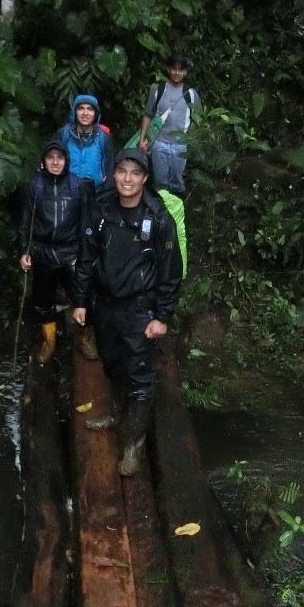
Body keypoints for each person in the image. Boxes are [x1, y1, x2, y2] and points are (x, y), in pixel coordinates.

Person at [72, 148, 183, 476]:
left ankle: (133, 445)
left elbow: (170, 271)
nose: (128, 179)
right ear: (114, 174)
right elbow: (87, 257)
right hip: (105, 305)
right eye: (122, 172)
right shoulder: (102, 210)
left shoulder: (158, 217)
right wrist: (80, 300)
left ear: (145, 178)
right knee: (111, 362)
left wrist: (162, 316)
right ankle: (119, 415)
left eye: (135, 173)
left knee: (139, 375)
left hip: (139, 308)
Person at [17, 140, 88, 364]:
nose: (55, 162)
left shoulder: (78, 186)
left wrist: (83, 253)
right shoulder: (35, 186)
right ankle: (49, 340)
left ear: (66, 161)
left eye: (60, 158)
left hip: (71, 252)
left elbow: (87, 223)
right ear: (44, 161)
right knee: (42, 299)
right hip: (42, 252)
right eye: (51, 158)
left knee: (81, 296)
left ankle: (84, 337)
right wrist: (24, 251)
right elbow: (25, 221)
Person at [137, 53, 201, 197]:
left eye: (180, 70)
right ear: (168, 69)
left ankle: (176, 212)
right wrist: (142, 140)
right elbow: (148, 114)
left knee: (177, 182)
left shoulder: (191, 93)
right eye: (174, 68)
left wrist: (188, 139)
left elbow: (196, 119)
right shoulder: (157, 89)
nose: (177, 73)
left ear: (185, 72)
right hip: (159, 142)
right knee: (160, 181)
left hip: (180, 144)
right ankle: (160, 212)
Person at [59, 93, 115, 192]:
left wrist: (107, 192)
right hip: (68, 192)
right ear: (75, 112)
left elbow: (109, 168)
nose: (85, 113)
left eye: (90, 109)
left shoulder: (103, 137)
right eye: (81, 108)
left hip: (96, 193)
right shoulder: (64, 134)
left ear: (95, 114)